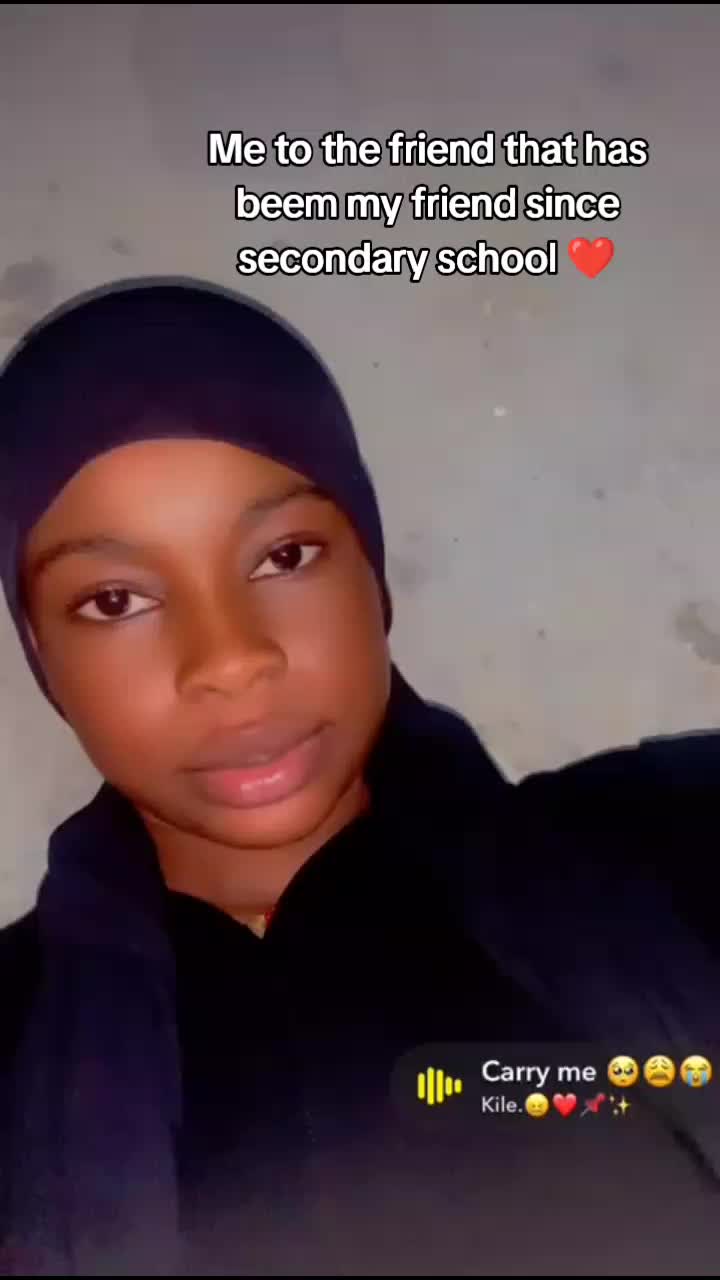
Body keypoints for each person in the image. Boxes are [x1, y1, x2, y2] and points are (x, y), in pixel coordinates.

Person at [0, 279, 719, 1277]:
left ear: (370, 570)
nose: (230, 660)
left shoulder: (679, 840)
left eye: (285, 554)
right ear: (42, 654)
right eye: (115, 599)